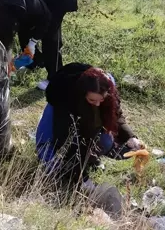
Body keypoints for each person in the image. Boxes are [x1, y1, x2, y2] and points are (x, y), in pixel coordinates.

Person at [35, 63, 143, 216]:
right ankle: (67, 168)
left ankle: (88, 162)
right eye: (93, 100)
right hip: (57, 118)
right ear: (83, 94)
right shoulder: (67, 100)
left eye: (101, 100)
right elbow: (67, 141)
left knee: (105, 142)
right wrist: (82, 179)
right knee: (53, 166)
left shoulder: (106, 90)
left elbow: (116, 116)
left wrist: (131, 138)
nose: (98, 104)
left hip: (83, 113)